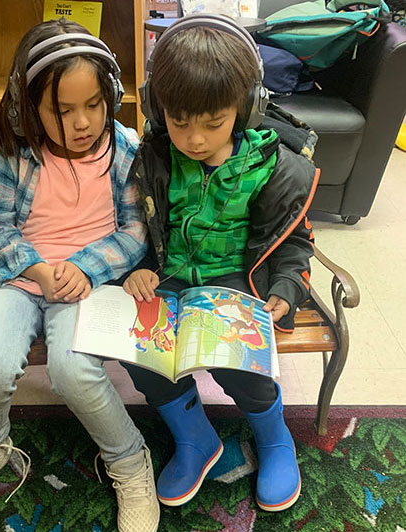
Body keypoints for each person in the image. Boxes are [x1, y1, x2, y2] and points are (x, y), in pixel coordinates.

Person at [0, 19, 159, 532]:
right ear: (29, 109)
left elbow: (136, 232)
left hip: (91, 283)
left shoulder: (125, 149)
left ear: (109, 94)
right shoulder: (18, 153)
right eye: (62, 111)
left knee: (73, 370)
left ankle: (130, 459)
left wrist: (85, 268)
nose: (83, 121)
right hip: (21, 276)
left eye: (93, 104)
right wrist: (39, 270)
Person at [122, 14, 319, 512]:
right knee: (142, 354)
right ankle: (195, 437)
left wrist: (288, 287)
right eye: (178, 120)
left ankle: (274, 439)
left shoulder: (271, 170)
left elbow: (294, 245)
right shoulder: (157, 158)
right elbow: (144, 226)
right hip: (170, 277)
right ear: (156, 107)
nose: (194, 139)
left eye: (213, 123)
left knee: (240, 366)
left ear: (246, 108)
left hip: (238, 278)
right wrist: (141, 266)